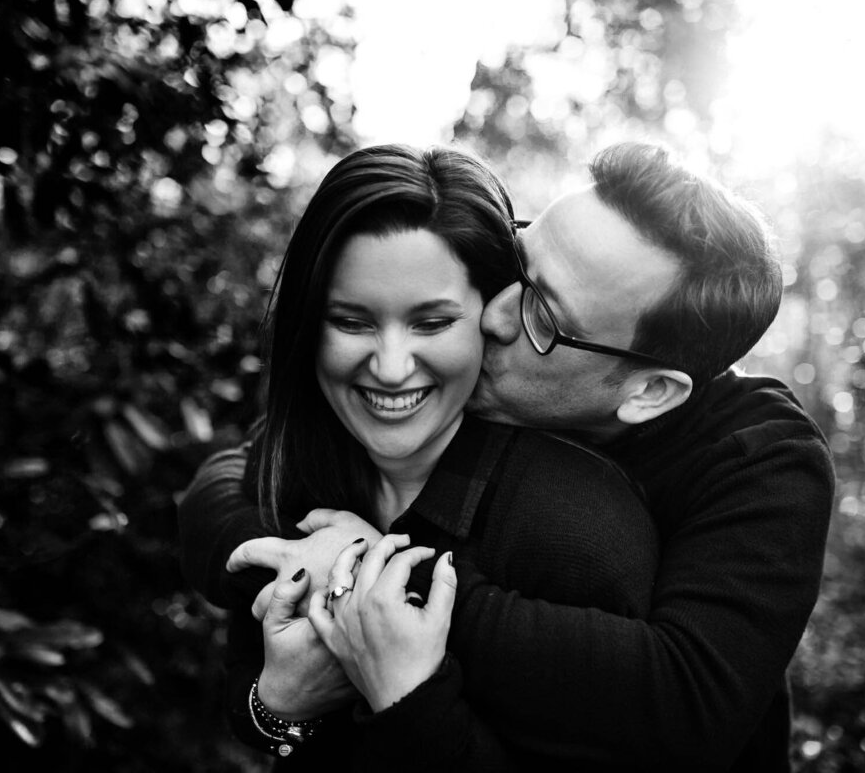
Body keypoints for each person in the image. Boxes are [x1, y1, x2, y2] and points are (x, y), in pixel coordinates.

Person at [180, 142, 835, 771]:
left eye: (543, 316)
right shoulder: (456, 382)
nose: (492, 315)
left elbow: (687, 708)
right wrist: (277, 695)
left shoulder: (759, 460)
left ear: (648, 392)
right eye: (518, 264)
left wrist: (376, 577)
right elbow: (241, 474)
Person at [207, 143, 660, 768]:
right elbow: (247, 693)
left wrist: (410, 697)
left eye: (431, 323)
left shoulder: (578, 528)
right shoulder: (296, 471)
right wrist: (278, 703)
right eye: (352, 321)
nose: (391, 368)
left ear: (493, 315)